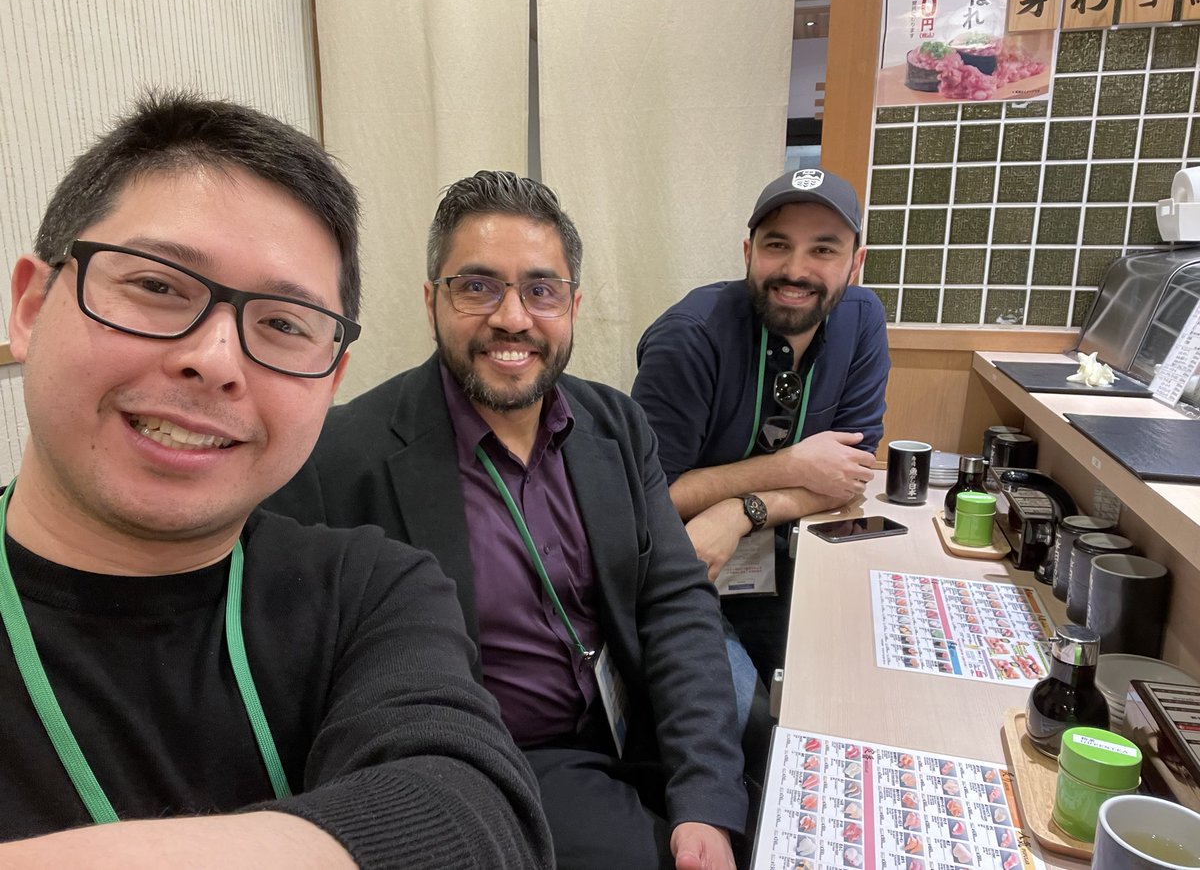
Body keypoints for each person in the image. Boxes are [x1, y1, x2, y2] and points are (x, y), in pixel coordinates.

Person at [0, 93, 552, 869]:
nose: (216, 360)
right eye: (158, 287)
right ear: (31, 305)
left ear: (331, 378)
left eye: (285, 324)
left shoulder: (368, 589)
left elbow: (471, 808)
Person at [267, 171, 747, 870]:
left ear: (574, 305)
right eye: (477, 286)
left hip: (629, 724)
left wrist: (705, 794)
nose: (513, 317)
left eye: (541, 290)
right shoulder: (341, 458)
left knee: (766, 774)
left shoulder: (615, 423)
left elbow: (674, 602)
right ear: (432, 300)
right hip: (498, 762)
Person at [631, 167, 890, 683]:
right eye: (777, 245)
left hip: (789, 553)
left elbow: (848, 475)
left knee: (847, 678)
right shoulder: (690, 338)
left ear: (855, 263)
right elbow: (645, 496)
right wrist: (791, 466)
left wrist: (743, 509)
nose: (796, 270)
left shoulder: (862, 320)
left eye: (823, 249)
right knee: (742, 717)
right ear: (748, 252)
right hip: (686, 563)